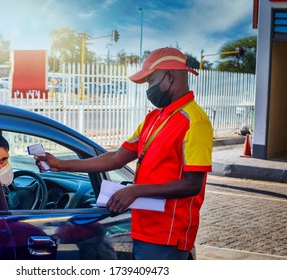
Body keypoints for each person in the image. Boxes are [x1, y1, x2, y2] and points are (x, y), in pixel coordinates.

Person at [35, 47, 213, 260]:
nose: (149, 89)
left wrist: (135, 191)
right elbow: (117, 157)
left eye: (150, 81)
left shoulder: (195, 122)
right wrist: (61, 164)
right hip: (142, 228)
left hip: (167, 235)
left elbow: (192, 184)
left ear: (170, 76)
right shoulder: (155, 118)